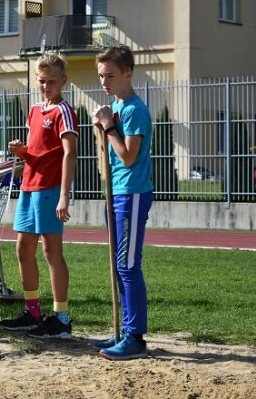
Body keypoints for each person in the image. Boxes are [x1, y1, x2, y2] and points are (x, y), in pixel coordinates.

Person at [0, 53, 78, 340]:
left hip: (50, 188)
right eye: (42, 82)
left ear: (63, 82)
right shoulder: (34, 111)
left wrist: (64, 195)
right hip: (28, 187)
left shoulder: (64, 111)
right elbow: (36, 150)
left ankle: (62, 318)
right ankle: (32, 312)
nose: (46, 87)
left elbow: (70, 153)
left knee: (51, 251)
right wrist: (21, 151)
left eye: (52, 82)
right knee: (23, 250)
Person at [92, 44, 154, 360]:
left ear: (128, 74)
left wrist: (110, 126)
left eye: (111, 76)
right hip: (116, 192)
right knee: (119, 266)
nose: (104, 82)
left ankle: (135, 338)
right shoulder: (117, 107)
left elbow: (128, 157)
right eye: (101, 76)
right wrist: (101, 128)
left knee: (128, 266)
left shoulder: (133, 110)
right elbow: (109, 156)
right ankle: (123, 329)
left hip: (132, 193)